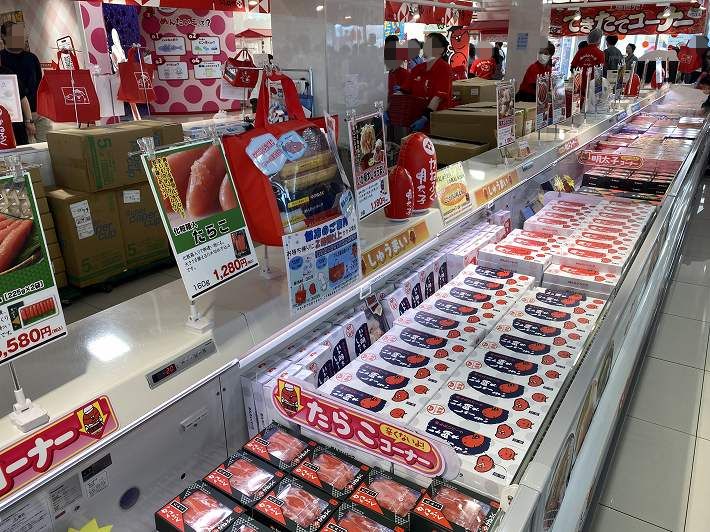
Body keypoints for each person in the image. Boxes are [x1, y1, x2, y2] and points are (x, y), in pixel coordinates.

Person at [0, 22, 43, 142]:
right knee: (26, 146)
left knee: (46, 145)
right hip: (16, 116)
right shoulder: (2, 59)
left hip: (38, 111)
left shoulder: (32, 58)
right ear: (4, 37)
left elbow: (39, 83)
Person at [403, 33, 454, 132]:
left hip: (435, 123)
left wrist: (425, 118)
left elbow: (438, 97)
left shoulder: (444, 69)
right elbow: (405, 91)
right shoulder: (417, 69)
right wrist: (391, 108)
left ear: (441, 50)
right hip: (413, 121)